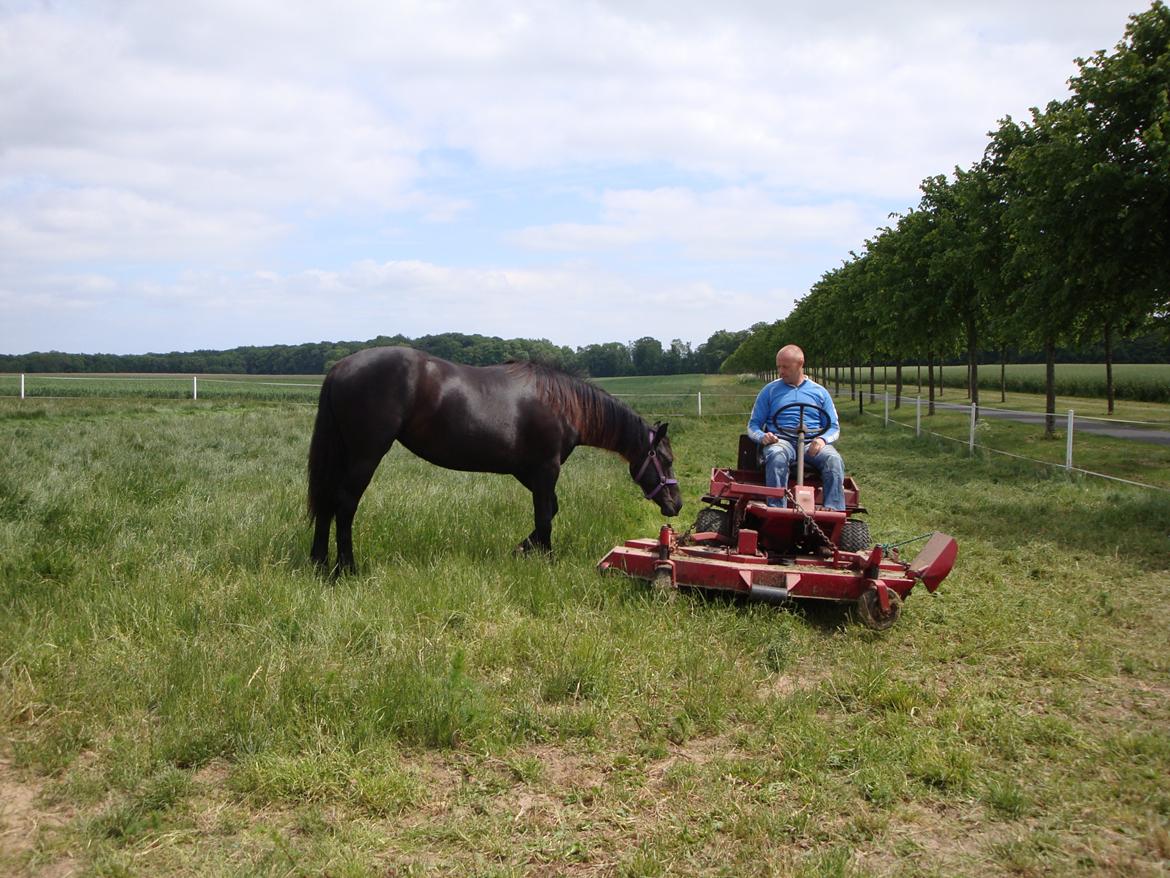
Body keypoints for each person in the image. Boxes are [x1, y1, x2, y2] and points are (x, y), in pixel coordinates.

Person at [746, 344, 845, 509]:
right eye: (778, 367)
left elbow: (834, 427)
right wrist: (764, 437)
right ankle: (777, 508)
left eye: (785, 367)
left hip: (811, 443)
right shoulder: (769, 391)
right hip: (781, 440)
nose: (781, 371)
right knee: (776, 455)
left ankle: (833, 510)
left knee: (833, 459)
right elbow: (753, 425)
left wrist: (822, 440)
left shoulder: (820, 392)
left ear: (800, 364)